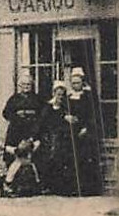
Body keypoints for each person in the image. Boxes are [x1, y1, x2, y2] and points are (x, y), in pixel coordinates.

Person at [64, 67, 104, 197]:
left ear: (82, 82)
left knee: (85, 159)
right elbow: (62, 111)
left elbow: (93, 114)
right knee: (71, 159)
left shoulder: (88, 96)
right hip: (71, 131)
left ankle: (88, 189)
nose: (75, 85)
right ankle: (73, 188)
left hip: (86, 131)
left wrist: (86, 128)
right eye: (73, 83)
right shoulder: (68, 97)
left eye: (78, 82)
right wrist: (67, 117)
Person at [38, 82, 77, 197]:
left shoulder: (66, 106)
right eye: (58, 94)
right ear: (54, 93)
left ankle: (63, 187)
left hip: (64, 137)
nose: (60, 97)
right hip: (51, 137)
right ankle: (50, 186)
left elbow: (73, 118)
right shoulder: (48, 106)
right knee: (52, 159)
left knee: (64, 161)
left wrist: (70, 119)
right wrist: (62, 117)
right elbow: (44, 121)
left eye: (62, 95)